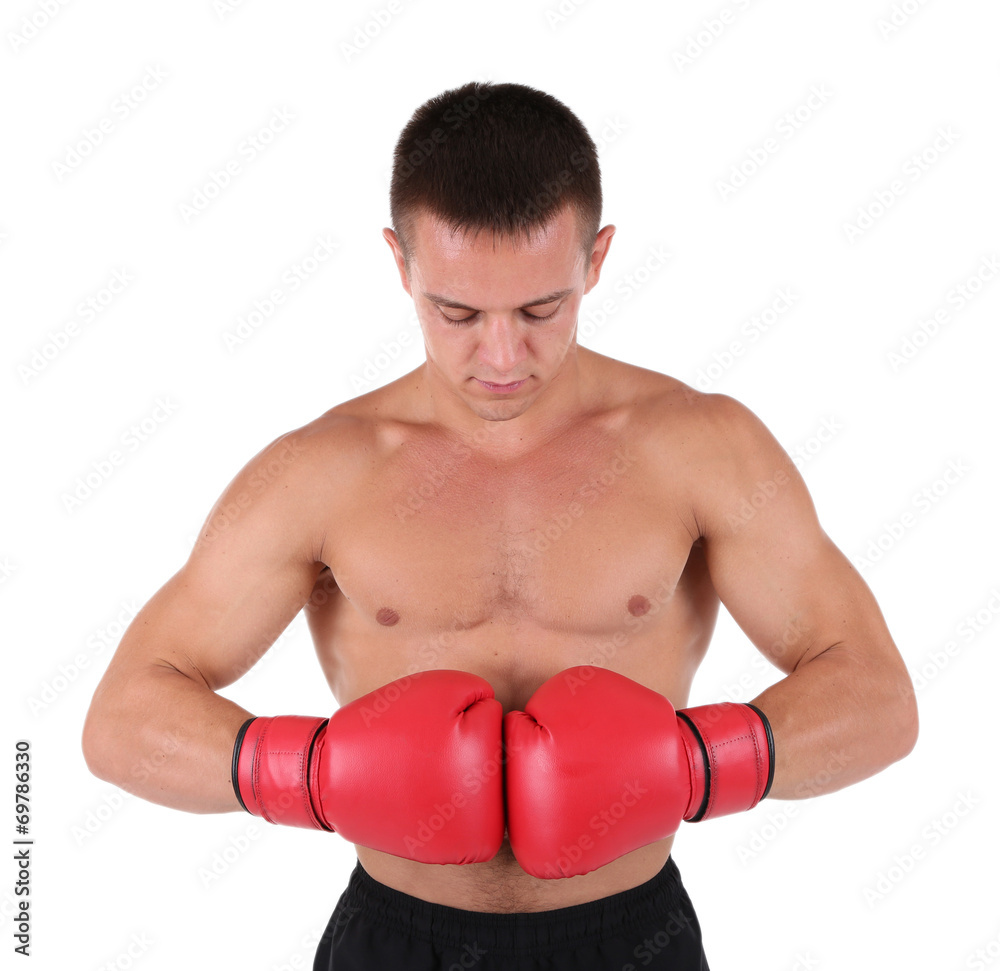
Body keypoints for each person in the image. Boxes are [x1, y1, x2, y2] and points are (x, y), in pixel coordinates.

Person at [82, 80, 918, 970]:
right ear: (400, 265)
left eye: (539, 308)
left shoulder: (701, 448)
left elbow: (877, 699)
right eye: (458, 313)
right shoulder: (321, 470)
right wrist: (317, 778)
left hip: (631, 936)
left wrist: (697, 764)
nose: (503, 355)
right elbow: (122, 721)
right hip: (397, 938)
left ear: (595, 260)